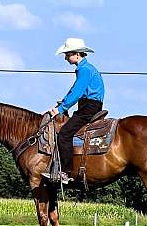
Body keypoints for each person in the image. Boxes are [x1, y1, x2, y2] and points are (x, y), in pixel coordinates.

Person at [44, 37, 105, 184]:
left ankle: (65, 172)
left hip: (88, 107)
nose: (65, 58)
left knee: (64, 135)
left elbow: (77, 93)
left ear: (77, 54)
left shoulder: (84, 70)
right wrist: (62, 103)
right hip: (90, 105)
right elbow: (74, 91)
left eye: (68, 54)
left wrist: (61, 109)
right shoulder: (88, 68)